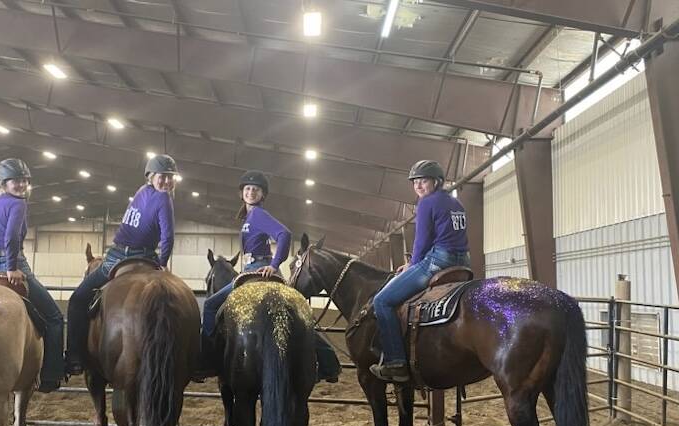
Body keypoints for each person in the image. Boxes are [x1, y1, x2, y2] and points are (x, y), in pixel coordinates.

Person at [198, 171, 340, 381]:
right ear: (242, 193)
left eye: (255, 189)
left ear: (262, 195)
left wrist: (273, 265)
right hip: (256, 267)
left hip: (257, 268)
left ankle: (207, 360)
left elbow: (284, 234)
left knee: (210, 305)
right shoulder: (249, 217)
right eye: (247, 189)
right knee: (296, 314)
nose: (251, 192)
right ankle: (329, 361)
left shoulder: (257, 214)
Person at [64, 154, 177, 376]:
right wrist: (162, 263)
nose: (166, 181)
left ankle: (75, 356)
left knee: (78, 300)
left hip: (116, 256)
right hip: (144, 257)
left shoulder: (142, 192)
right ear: (151, 177)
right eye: (162, 177)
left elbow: (167, 236)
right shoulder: (164, 199)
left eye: (170, 177)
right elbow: (168, 237)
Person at [369, 160, 470, 382]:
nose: (418, 186)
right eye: (415, 182)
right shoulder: (456, 203)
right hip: (463, 261)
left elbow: (422, 240)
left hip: (439, 260)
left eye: (423, 181)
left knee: (382, 301)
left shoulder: (426, 203)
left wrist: (413, 264)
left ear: (436, 182)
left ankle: (396, 362)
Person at [0, 158, 65, 393]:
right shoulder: (18, 203)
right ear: (4, 182)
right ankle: (51, 374)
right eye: (16, 180)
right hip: (8, 261)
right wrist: (11, 266)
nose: (21, 185)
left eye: (24, 180)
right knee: (54, 318)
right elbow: (12, 237)